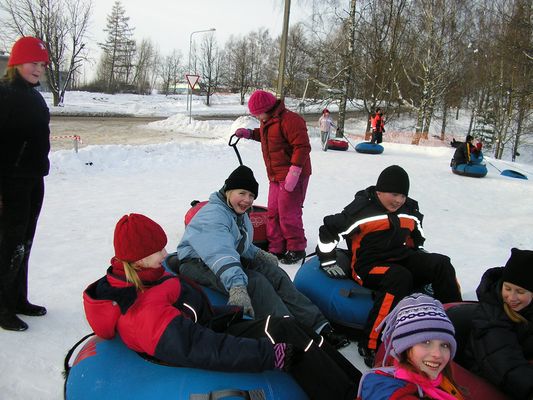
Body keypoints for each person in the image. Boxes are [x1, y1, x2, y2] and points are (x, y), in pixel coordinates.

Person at [83, 213, 360, 400]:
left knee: (287, 326)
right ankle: (348, 394)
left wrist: (230, 314)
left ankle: (360, 385)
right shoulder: (144, 311)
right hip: (205, 342)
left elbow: (190, 316)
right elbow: (196, 347)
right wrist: (267, 355)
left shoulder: (148, 278)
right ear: (139, 259)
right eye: (158, 251)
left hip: (210, 327)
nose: (166, 255)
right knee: (289, 342)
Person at [176, 165, 349, 348]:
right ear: (228, 190)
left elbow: (238, 244)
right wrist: (237, 287)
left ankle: (319, 326)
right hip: (197, 263)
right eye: (242, 193)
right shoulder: (214, 216)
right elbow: (220, 254)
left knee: (276, 274)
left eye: (251, 196)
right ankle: (290, 336)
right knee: (256, 283)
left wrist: (258, 255)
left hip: (223, 258)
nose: (247, 200)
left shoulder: (237, 213)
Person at [316, 165, 462, 367]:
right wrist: (327, 259)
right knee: (400, 277)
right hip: (368, 265)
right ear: (379, 192)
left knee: (441, 263)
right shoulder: (361, 211)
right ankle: (371, 343)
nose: (398, 200)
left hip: (400, 256)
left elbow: (416, 232)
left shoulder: (409, 209)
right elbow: (329, 229)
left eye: (402, 195)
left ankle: (455, 323)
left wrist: (418, 251)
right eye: (394, 194)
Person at [0, 37, 51, 331]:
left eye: (42, 64)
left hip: (32, 180)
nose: (38, 69)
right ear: (16, 62)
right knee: (8, 244)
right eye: (33, 63)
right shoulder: (4, 94)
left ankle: (18, 298)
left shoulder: (33, 95)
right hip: (10, 183)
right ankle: (2, 305)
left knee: (24, 242)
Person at [234, 90, 311, 265]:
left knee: (288, 213)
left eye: (259, 113)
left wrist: (294, 171)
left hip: (293, 174)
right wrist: (249, 133)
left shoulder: (291, 120)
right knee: (273, 212)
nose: (258, 118)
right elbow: (267, 135)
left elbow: (302, 146)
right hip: (275, 175)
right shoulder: (268, 120)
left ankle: (296, 247)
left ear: (268, 108)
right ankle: (276, 247)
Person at [358, 293, 464, 399]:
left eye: (444, 345)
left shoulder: (440, 377)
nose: (437, 354)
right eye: (426, 342)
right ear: (405, 346)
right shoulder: (388, 389)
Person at [464, 248, 533, 399]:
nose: (511, 297)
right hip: (490, 378)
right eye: (507, 289)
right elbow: (504, 362)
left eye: (520, 292)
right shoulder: (490, 316)